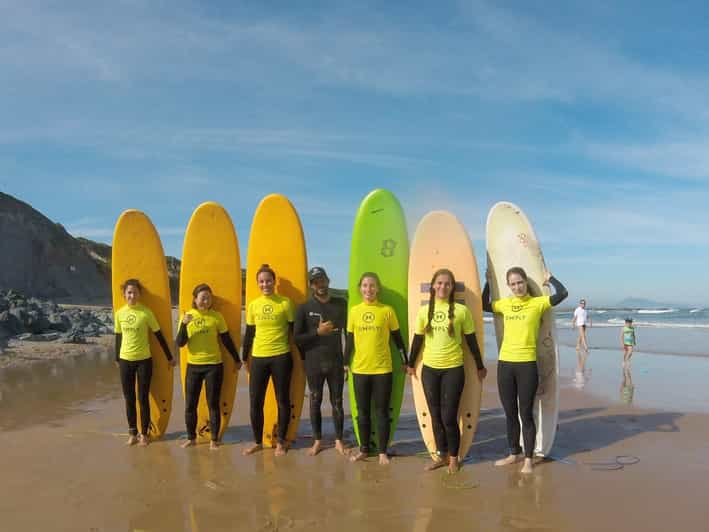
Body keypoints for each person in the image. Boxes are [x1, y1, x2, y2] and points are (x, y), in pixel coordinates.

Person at [483, 267, 568, 474]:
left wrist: (550, 278)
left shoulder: (537, 303)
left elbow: (562, 294)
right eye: (512, 284)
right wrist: (487, 282)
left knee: (526, 413)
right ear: (509, 286)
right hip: (505, 365)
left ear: (525, 282)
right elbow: (485, 304)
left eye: (519, 282)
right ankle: (514, 453)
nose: (517, 286)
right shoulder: (505, 304)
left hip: (527, 365)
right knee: (510, 413)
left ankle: (528, 459)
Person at [407, 268, 487, 474]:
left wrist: (479, 365)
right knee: (435, 415)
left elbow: (471, 342)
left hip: (453, 369)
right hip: (430, 370)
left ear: (452, 288)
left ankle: (453, 458)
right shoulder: (425, 311)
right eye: (440, 283)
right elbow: (417, 340)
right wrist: (410, 363)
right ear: (433, 286)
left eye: (447, 284)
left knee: (449, 416)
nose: (443, 287)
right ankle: (440, 455)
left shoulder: (462, 312)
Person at [345, 272, 407, 465]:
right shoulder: (354, 311)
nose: (368, 289)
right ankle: (364, 449)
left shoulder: (387, 310)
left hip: (382, 370)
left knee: (382, 413)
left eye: (372, 286)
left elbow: (398, 339)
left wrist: (406, 360)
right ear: (360, 289)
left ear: (378, 289)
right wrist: (345, 364)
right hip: (360, 370)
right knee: (362, 412)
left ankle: (382, 452)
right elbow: (349, 341)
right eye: (365, 286)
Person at [176, 283, 241, 450]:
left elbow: (226, 339)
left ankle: (214, 439)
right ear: (195, 299)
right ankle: (191, 438)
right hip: (193, 366)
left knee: (213, 404)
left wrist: (236, 358)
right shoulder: (187, 316)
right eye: (203, 297)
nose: (206, 301)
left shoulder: (216, 317)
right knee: (191, 404)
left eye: (208, 298)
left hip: (214, 366)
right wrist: (183, 324)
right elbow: (180, 343)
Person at [114, 278, 176, 446]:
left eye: (134, 292)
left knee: (143, 398)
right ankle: (132, 433)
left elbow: (159, 336)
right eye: (129, 292)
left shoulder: (146, 313)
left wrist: (169, 356)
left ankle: (144, 434)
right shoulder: (119, 313)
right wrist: (116, 358)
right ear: (124, 294)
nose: (132, 295)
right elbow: (118, 337)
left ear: (139, 294)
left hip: (144, 361)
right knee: (129, 398)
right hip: (126, 360)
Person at [242, 264, 295, 457]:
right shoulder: (253, 305)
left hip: (281, 356)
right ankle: (257, 441)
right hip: (258, 358)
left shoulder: (285, 303)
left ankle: (281, 442)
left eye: (268, 280)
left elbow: (293, 331)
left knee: (282, 400)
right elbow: (249, 333)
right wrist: (244, 357)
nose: (265, 284)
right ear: (258, 284)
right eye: (262, 281)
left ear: (274, 282)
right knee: (256, 401)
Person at [294, 266, 348, 456]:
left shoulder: (341, 304)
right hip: (314, 362)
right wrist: (317, 333)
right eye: (316, 281)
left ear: (328, 280)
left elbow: (349, 334)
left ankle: (339, 440)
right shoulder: (303, 308)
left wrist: (347, 361)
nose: (320, 284)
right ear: (311, 285)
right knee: (315, 400)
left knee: (338, 401)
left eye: (322, 280)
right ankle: (317, 440)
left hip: (335, 361)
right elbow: (297, 338)